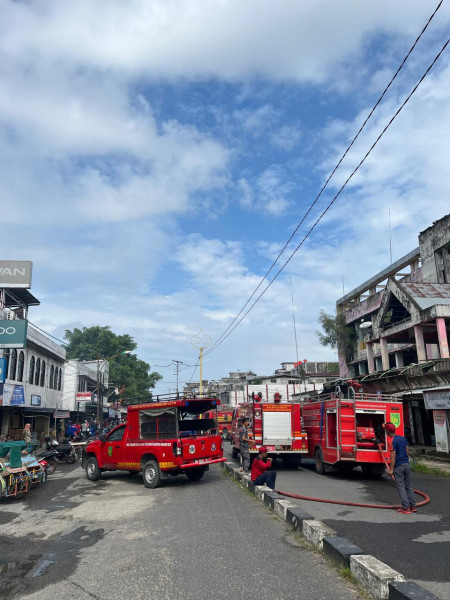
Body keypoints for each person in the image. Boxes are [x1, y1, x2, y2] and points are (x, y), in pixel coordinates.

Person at [386, 423, 417, 514]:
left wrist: (391, 469)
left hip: (398, 466)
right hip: (406, 464)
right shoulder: (403, 438)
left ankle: (406, 508)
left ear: (387, 431)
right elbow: (407, 451)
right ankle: (413, 506)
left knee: (401, 486)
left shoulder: (391, 441)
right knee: (409, 485)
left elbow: (393, 456)